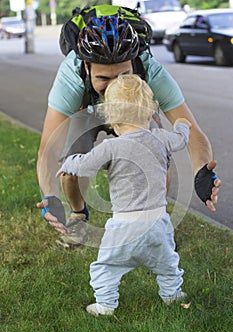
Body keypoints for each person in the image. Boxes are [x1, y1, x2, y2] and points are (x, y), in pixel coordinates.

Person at [36, 8, 221, 247]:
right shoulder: (70, 77)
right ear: (87, 68)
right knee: (70, 163)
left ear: (133, 64)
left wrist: (201, 172)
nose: (114, 88)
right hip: (91, 112)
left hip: (135, 110)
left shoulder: (150, 70)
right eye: (104, 78)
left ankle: (154, 221)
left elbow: (192, 131)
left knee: (156, 154)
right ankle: (79, 216)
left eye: (123, 75)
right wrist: (50, 196)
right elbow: (47, 149)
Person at [56, 74, 192, 315]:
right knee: (167, 263)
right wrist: (182, 125)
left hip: (124, 226)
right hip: (159, 222)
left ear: (111, 120)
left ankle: (106, 304)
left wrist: (68, 164)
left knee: (106, 266)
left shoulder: (111, 147)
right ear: (150, 114)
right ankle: (172, 295)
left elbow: (85, 165)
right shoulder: (160, 138)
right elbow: (181, 140)